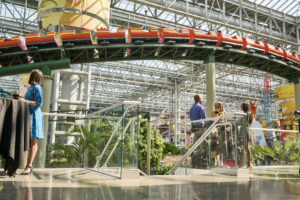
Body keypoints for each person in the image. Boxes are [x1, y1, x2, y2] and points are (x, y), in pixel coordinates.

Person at [19, 69, 44, 175]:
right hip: (29, 116)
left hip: (34, 116)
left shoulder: (37, 88)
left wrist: (24, 101)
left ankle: (29, 165)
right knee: (29, 140)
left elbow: (39, 103)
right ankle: (28, 165)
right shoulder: (31, 88)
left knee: (33, 140)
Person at [211, 101, 226, 166]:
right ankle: (217, 161)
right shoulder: (213, 112)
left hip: (221, 130)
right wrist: (216, 113)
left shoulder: (223, 112)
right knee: (215, 146)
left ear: (220, 106)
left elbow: (221, 119)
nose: (215, 107)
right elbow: (214, 118)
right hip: (215, 131)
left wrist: (217, 113)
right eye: (215, 106)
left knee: (221, 146)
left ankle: (221, 161)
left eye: (217, 106)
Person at [240, 103, 253, 169]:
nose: (240, 107)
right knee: (245, 148)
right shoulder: (247, 114)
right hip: (245, 130)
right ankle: (246, 164)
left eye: (241, 106)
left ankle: (246, 164)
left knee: (245, 148)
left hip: (244, 131)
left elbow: (241, 122)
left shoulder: (246, 114)